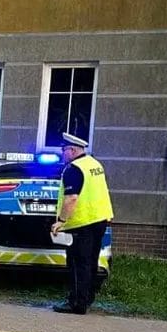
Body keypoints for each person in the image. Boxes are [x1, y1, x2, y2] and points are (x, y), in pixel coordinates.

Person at [50, 132, 114, 315]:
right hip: (99, 220)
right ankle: (87, 298)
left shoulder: (74, 169)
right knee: (90, 262)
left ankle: (77, 303)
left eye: (64, 150)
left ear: (72, 150)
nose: (63, 154)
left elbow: (71, 198)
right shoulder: (94, 164)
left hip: (81, 223)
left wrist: (61, 221)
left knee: (78, 263)